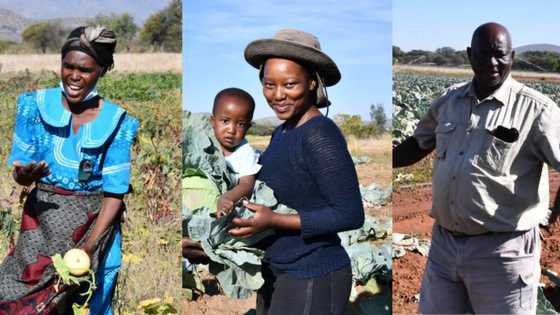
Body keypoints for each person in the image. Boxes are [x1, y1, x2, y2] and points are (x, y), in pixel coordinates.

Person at [394, 22, 560, 314]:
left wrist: (552, 217)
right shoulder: (450, 100)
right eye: (483, 54)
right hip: (445, 246)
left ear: (512, 58)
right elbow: (417, 146)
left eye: (500, 55)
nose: (492, 63)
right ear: (470, 55)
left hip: (503, 253)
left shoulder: (538, 110)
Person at [0, 25, 138, 315]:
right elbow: (19, 171)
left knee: (83, 303)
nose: (74, 76)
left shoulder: (118, 123)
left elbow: (114, 195)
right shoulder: (33, 107)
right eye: (68, 66)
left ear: (102, 70)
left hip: (91, 229)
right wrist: (22, 177)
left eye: (85, 70)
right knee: (13, 296)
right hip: (39, 230)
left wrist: (88, 248)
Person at [229, 29, 364, 315]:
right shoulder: (282, 132)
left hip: (313, 273)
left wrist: (275, 219)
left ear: (312, 82)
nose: (278, 95)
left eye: (290, 84)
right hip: (278, 271)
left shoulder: (319, 135)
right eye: (269, 85)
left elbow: (350, 213)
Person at [210, 87, 261, 216]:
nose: (231, 130)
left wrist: (227, 198)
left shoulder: (245, 153)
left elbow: (246, 185)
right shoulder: (203, 144)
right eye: (225, 121)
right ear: (213, 121)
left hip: (229, 209)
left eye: (241, 124)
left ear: (248, 128)